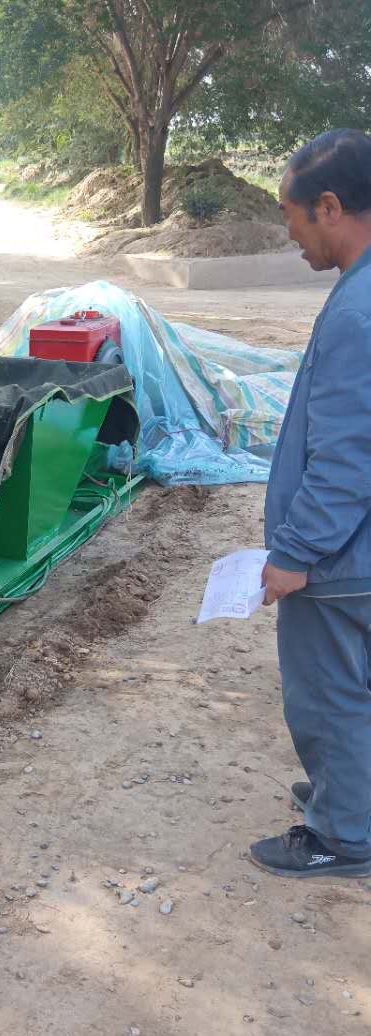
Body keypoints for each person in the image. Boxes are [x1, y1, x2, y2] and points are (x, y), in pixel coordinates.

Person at [251, 129, 371, 879]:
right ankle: (350, 791)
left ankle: (343, 834)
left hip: (342, 559)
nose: (290, 235)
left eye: (293, 217)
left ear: (330, 207)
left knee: (328, 695)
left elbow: (345, 460)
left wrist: (295, 555)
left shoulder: (359, 312)